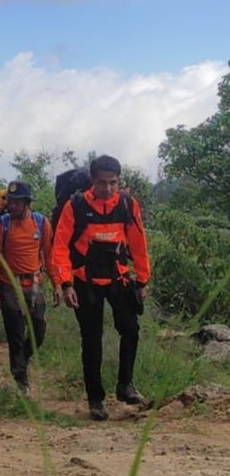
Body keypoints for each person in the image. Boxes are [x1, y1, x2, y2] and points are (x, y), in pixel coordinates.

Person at [52, 154, 151, 421]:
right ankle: (96, 400)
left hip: (118, 279)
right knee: (92, 341)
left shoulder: (128, 205)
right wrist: (65, 283)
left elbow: (138, 244)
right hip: (85, 282)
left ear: (119, 182)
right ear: (91, 182)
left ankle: (125, 386)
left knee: (131, 330)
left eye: (113, 182)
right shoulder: (76, 206)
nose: (107, 189)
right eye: (101, 183)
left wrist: (142, 280)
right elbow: (60, 246)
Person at [0, 181, 58, 394]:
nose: (12, 207)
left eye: (17, 203)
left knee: (39, 329)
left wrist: (57, 284)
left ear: (27, 203)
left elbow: (49, 255)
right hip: (9, 285)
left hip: (35, 284)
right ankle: (21, 379)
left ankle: (22, 358)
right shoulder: (0, 225)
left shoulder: (41, 223)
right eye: (10, 202)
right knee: (15, 332)